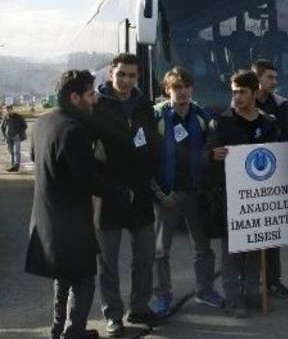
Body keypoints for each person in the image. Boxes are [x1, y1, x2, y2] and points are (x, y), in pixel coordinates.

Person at [26, 70, 127, 339]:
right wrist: (120, 192)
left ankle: (58, 329)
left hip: (46, 217)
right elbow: (87, 180)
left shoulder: (43, 122)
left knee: (63, 278)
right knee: (84, 280)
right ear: (74, 97)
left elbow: (38, 158)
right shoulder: (74, 131)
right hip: (71, 223)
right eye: (91, 94)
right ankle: (75, 332)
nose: (96, 99)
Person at [90, 53, 161, 336]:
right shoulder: (96, 105)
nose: (126, 81)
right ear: (111, 73)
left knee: (144, 256)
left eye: (132, 76)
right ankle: (113, 315)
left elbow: (152, 144)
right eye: (121, 74)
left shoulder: (144, 105)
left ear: (138, 77)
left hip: (140, 193)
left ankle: (140, 307)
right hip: (107, 196)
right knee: (107, 262)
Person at [201, 70, 280, 318]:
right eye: (234, 92)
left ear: (255, 93)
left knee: (255, 247)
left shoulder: (268, 122)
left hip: (259, 197)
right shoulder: (220, 123)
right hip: (230, 197)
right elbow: (203, 155)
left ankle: (253, 294)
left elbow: (277, 154)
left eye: (242, 92)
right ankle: (233, 299)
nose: (237, 97)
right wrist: (211, 155)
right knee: (232, 251)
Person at [150, 67, 223, 318]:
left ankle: (205, 290)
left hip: (196, 193)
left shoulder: (203, 115)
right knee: (160, 251)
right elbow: (146, 157)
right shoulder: (156, 116)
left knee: (203, 247)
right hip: (166, 195)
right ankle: (162, 296)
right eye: (176, 87)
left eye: (186, 87)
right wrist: (158, 192)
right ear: (167, 89)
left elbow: (212, 150)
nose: (182, 92)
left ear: (192, 88)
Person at [251, 59, 288, 299]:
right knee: (251, 233)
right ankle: (251, 282)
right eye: (269, 77)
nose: (274, 82)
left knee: (273, 231)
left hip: (276, 176)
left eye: (275, 77)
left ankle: (273, 280)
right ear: (257, 79)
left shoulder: (282, 105)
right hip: (250, 179)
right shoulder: (244, 102)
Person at [2, 104, 27, 171]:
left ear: (12, 109)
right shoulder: (5, 117)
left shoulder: (18, 117)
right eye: (6, 110)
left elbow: (24, 126)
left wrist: (18, 132)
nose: (7, 111)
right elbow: (2, 127)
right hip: (8, 137)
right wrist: (4, 136)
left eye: (9, 110)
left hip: (16, 137)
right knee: (11, 152)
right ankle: (13, 165)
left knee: (16, 151)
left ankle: (16, 166)